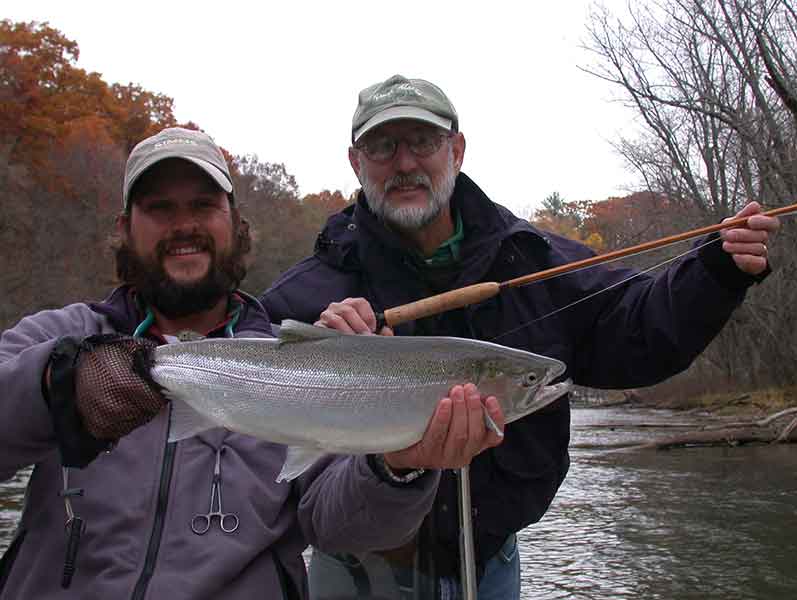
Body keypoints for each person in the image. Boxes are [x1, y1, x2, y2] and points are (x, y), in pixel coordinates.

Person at [259, 75, 782, 599]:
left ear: (456, 150)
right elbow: (261, 448)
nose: (404, 163)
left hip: (493, 568)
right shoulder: (303, 298)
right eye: (382, 146)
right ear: (356, 162)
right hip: (353, 573)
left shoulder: (535, 260)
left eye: (423, 142)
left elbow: (639, 331)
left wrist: (715, 273)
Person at [0, 127, 506, 600]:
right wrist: (55, 386)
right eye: (159, 208)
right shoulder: (62, 335)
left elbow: (343, 529)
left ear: (236, 225)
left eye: (203, 205)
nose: (183, 226)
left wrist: (400, 464)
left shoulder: (299, 359)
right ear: (125, 228)